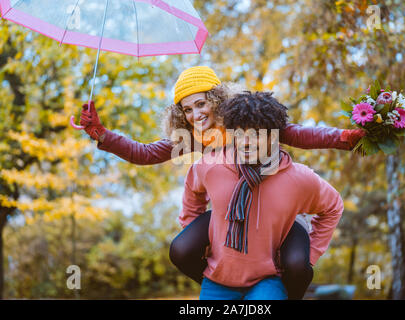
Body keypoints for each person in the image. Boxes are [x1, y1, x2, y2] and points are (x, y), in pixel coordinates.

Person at [79, 66, 363, 299]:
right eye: (187, 110)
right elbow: (144, 153)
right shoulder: (191, 137)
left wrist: (344, 138)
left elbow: (300, 134)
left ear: (216, 100)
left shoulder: (246, 119)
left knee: (296, 266)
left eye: (201, 104)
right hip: (231, 206)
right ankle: (224, 280)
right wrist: (102, 134)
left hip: (272, 206)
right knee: (181, 249)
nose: (196, 114)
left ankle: (278, 289)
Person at [180, 91, 344, 300]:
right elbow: (192, 192)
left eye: (256, 134)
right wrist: (196, 236)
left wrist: (311, 254)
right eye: (238, 134)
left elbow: (333, 206)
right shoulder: (212, 166)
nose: (246, 142)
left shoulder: (298, 178)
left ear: (273, 136)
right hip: (218, 278)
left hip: (268, 279)